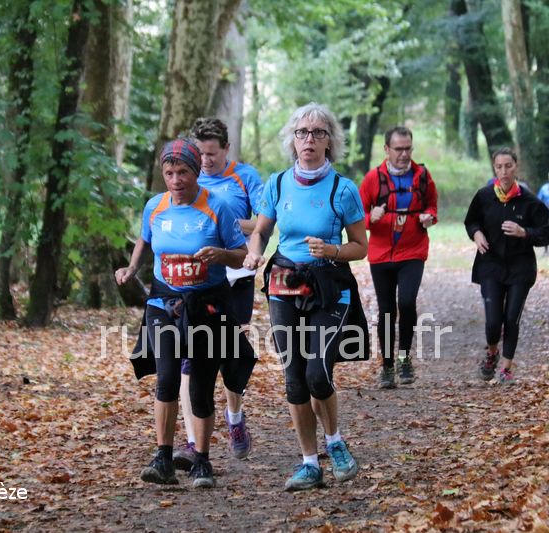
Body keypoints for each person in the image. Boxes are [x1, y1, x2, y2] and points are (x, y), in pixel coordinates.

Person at [243, 103, 369, 491]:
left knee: (318, 373)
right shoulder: (278, 184)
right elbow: (261, 230)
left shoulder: (343, 189)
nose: (309, 139)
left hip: (329, 287)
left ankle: (336, 443)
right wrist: (253, 252)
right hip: (284, 285)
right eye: (302, 132)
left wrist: (332, 250)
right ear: (292, 140)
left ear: (330, 141)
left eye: (317, 132)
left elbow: (361, 246)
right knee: (294, 380)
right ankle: (309, 463)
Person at [115, 138, 252, 489]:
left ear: (195, 172)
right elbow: (145, 239)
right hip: (164, 303)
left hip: (207, 306)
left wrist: (220, 255)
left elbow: (241, 253)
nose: (176, 180)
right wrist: (132, 268)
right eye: (169, 173)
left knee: (201, 387)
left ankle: (202, 461)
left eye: (183, 173)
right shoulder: (155, 206)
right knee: (166, 379)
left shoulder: (217, 207)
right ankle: (162, 458)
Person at [170, 118, 263, 469]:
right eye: (200, 154)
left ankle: (234, 416)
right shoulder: (187, 179)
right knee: (189, 358)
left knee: (229, 355)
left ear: (226, 149)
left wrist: (224, 222)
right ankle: (193, 440)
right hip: (195, 283)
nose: (205, 161)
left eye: (211, 154)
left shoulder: (245, 177)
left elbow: (263, 222)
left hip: (236, 277)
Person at [464, 147, 549, 384]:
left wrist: (525, 232)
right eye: (499, 167)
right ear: (494, 169)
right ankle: (492, 353)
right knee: (493, 321)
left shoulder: (529, 201)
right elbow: (471, 221)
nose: (504, 171)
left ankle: (506, 368)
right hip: (490, 265)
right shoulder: (484, 196)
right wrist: (477, 234)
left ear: (516, 167)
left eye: (508, 166)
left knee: (512, 317)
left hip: (520, 268)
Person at [359, 126, 438, 389]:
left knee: (406, 302)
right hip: (381, 254)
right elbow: (357, 217)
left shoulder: (422, 176)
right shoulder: (373, 179)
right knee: (386, 310)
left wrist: (429, 217)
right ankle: (387, 366)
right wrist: (371, 218)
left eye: (408, 149)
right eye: (398, 149)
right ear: (387, 149)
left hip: (413, 251)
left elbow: (432, 205)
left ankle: (404, 358)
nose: (404, 154)